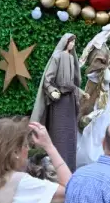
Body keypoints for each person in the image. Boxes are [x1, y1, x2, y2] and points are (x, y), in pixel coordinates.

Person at [31, 33, 81, 172]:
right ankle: (55, 169)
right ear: (65, 42)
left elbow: (73, 82)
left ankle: (70, 168)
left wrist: (81, 93)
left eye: (74, 42)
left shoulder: (71, 58)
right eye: (70, 41)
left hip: (70, 101)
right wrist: (52, 90)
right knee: (59, 134)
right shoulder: (57, 56)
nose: (72, 44)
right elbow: (48, 79)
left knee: (70, 136)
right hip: (59, 101)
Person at [77, 24, 110, 168]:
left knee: (105, 117)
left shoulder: (104, 47)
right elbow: (94, 70)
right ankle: (94, 153)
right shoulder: (100, 49)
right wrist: (109, 76)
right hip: (98, 91)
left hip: (104, 91)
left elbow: (106, 66)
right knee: (97, 117)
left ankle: (103, 151)